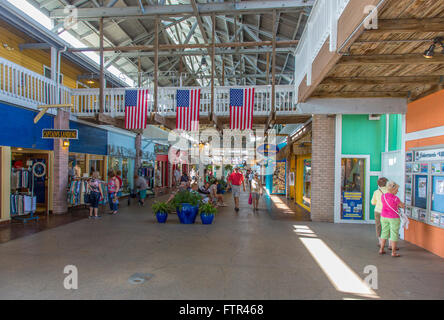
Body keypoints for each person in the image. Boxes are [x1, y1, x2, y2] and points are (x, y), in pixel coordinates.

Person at [379, 181, 405, 257]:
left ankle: (381, 249)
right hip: (393, 217)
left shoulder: (383, 196)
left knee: (384, 232)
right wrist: (401, 204)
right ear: (393, 190)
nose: (398, 191)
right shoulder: (396, 198)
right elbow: (402, 206)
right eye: (397, 189)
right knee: (394, 234)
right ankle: (393, 252)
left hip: (383, 216)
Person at [371, 177, 389, 248]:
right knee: (388, 226)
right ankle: (390, 244)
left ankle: (380, 242)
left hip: (378, 211)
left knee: (378, 226)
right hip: (387, 212)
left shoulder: (376, 192)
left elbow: (373, 202)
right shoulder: (390, 191)